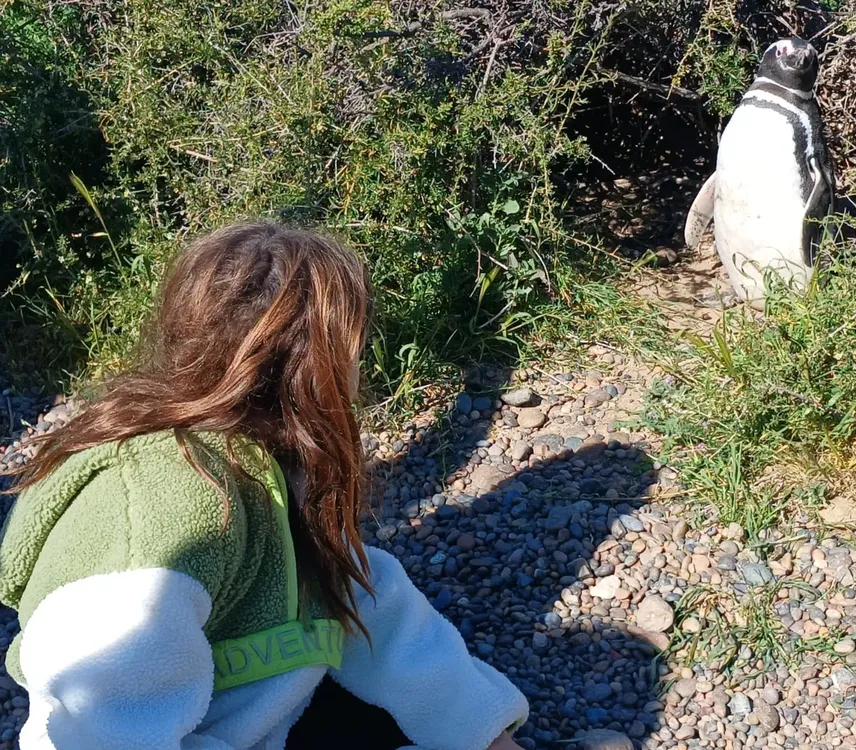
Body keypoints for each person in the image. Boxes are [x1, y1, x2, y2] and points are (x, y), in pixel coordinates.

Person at [0, 223, 529, 750]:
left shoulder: (275, 463)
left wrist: (483, 731)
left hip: (252, 712)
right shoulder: (165, 510)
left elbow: (366, 600)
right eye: (354, 350)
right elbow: (98, 728)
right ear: (314, 363)